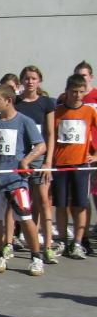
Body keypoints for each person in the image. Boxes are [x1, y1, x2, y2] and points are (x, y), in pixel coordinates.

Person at [0, 84, 46, 275]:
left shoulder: (24, 121)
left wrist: (26, 160)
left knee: (25, 218)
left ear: (8, 100)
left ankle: (36, 257)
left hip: (15, 181)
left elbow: (41, 146)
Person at [14, 66, 57, 263]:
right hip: (22, 158)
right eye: (26, 78)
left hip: (40, 158)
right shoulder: (16, 102)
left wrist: (48, 161)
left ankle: (48, 246)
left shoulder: (46, 103)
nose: (30, 81)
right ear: (22, 81)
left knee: (43, 200)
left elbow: (50, 134)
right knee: (22, 201)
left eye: (33, 78)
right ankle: (13, 241)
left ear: (39, 81)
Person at [51, 74, 97, 259]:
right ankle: (62, 241)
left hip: (81, 165)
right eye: (74, 92)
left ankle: (77, 243)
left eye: (81, 92)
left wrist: (95, 155)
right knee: (61, 205)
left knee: (80, 205)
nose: (77, 95)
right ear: (67, 91)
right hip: (60, 165)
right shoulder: (57, 111)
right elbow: (50, 135)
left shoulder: (89, 111)